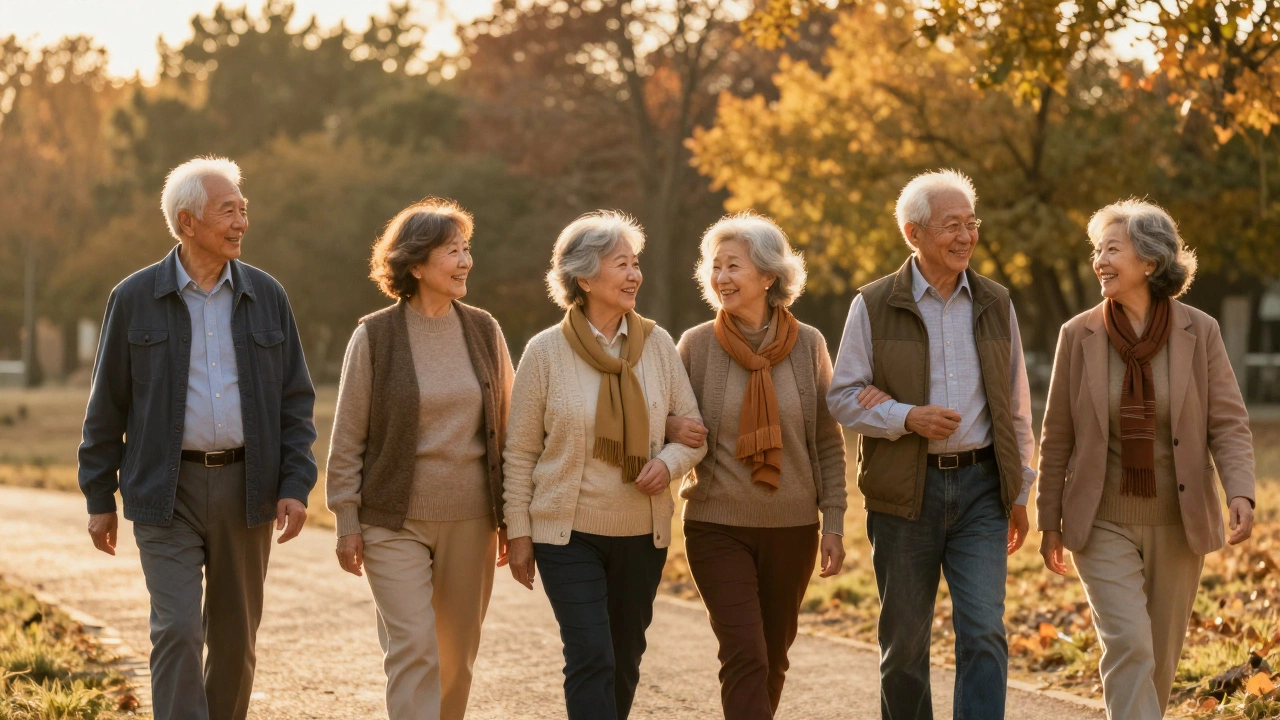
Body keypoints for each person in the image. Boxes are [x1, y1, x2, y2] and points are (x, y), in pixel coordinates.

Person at [78, 156, 317, 720]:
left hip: (248, 487)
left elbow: (295, 401)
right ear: (187, 222)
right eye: (228, 211)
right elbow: (106, 404)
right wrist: (98, 496)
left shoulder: (267, 295)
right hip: (165, 490)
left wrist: (295, 483)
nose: (241, 222)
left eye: (244, 210)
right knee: (178, 629)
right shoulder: (133, 297)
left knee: (235, 640)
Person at [826, 169, 1037, 720]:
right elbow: (843, 396)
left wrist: (1021, 490)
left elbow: (1016, 407)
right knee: (903, 646)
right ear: (913, 233)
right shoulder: (873, 304)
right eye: (952, 226)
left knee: (985, 632)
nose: (966, 236)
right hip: (904, 494)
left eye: (971, 223)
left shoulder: (996, 302)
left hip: (982, 489)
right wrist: (907, 417)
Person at [1036, 199, 1255, 719]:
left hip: (1179, 520)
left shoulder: (1200, 331)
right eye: (1097, 250)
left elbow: (1227, 421)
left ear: (1151, 262)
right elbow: (1057, 436)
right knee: (1129, 644)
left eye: (1112, 250)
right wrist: (1049, 520)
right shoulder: (1078, 335)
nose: (1099, 261)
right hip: (1101, 518)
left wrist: (1241, 491)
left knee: (1158, 657)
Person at [501, 210, 707, 720]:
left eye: (636, 263)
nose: (635, 274)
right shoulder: (544, 352)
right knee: (591, 654)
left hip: (641, 532)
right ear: (585, 278)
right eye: (622, 264)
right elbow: (520, 452)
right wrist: (519, 532)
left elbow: (693, 434)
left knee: (625, 657)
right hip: (566, 533)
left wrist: (667, 463)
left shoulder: (657, 345)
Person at [666, 212, 866, 719]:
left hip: (793, 528)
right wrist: (669, 425)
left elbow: (826, 441)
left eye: (734, 265)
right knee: (745, 655)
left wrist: (834, 522)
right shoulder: (696, 345)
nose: (721, 277)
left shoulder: (809, 345)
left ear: (769, 275)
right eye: (715, 266)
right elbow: (664, 421)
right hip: (715, 523)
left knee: (773, 658)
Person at [326, 199, 514, 719]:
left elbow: (511, 431)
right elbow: (348, 437)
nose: (466, 261)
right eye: (452, 251)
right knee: (413, 645)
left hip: (471, 518)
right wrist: (346, 519)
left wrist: (514, 520)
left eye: (467, 249)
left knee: (456, 657)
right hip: (392, 519)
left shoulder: (485, 330)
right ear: (414, 264)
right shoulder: (374, 335)